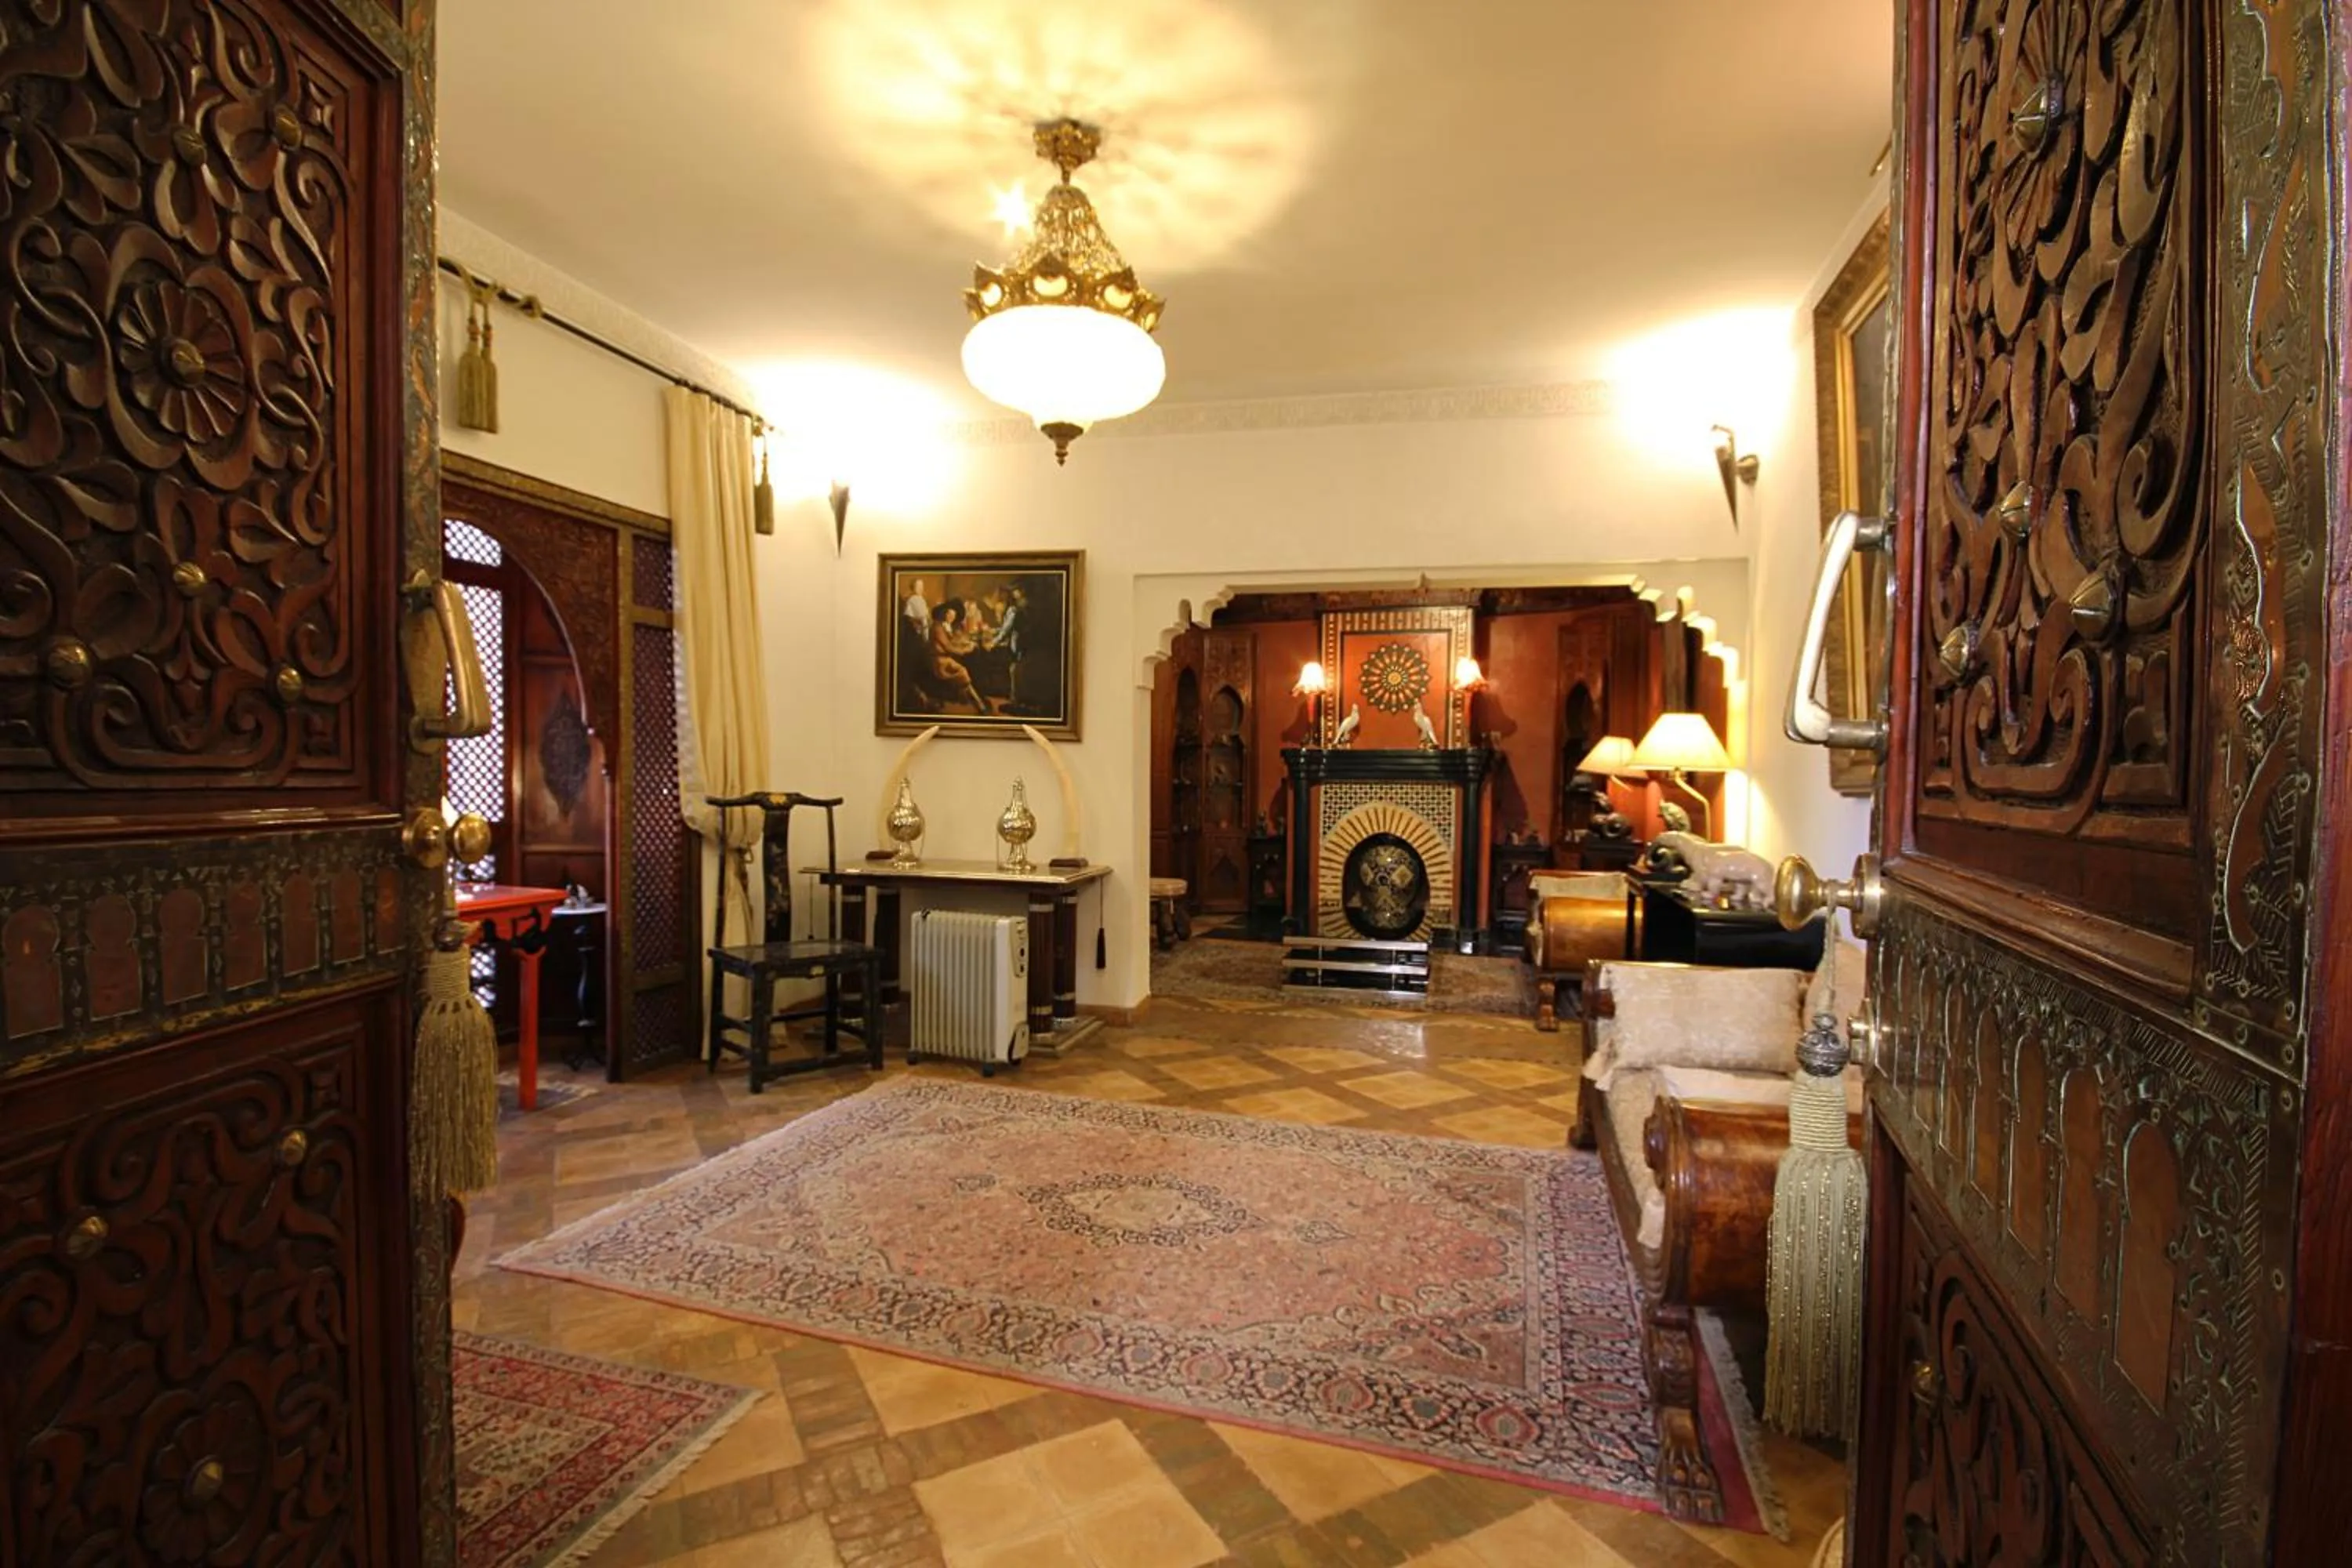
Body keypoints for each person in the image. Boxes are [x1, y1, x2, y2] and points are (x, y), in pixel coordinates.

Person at [928, 604, 990, 713]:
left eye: (954, 616)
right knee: (963, 671)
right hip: (940, 662)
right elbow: (947, 647)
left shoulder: (942, 626)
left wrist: (964, 645)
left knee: (964, 672)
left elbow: (952, 642)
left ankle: (971, 700)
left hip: (945, 659)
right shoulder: (937, 628)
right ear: (944, 614)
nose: (952, 618)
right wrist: (964, 651)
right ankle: (978, 704)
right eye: (950, 615)